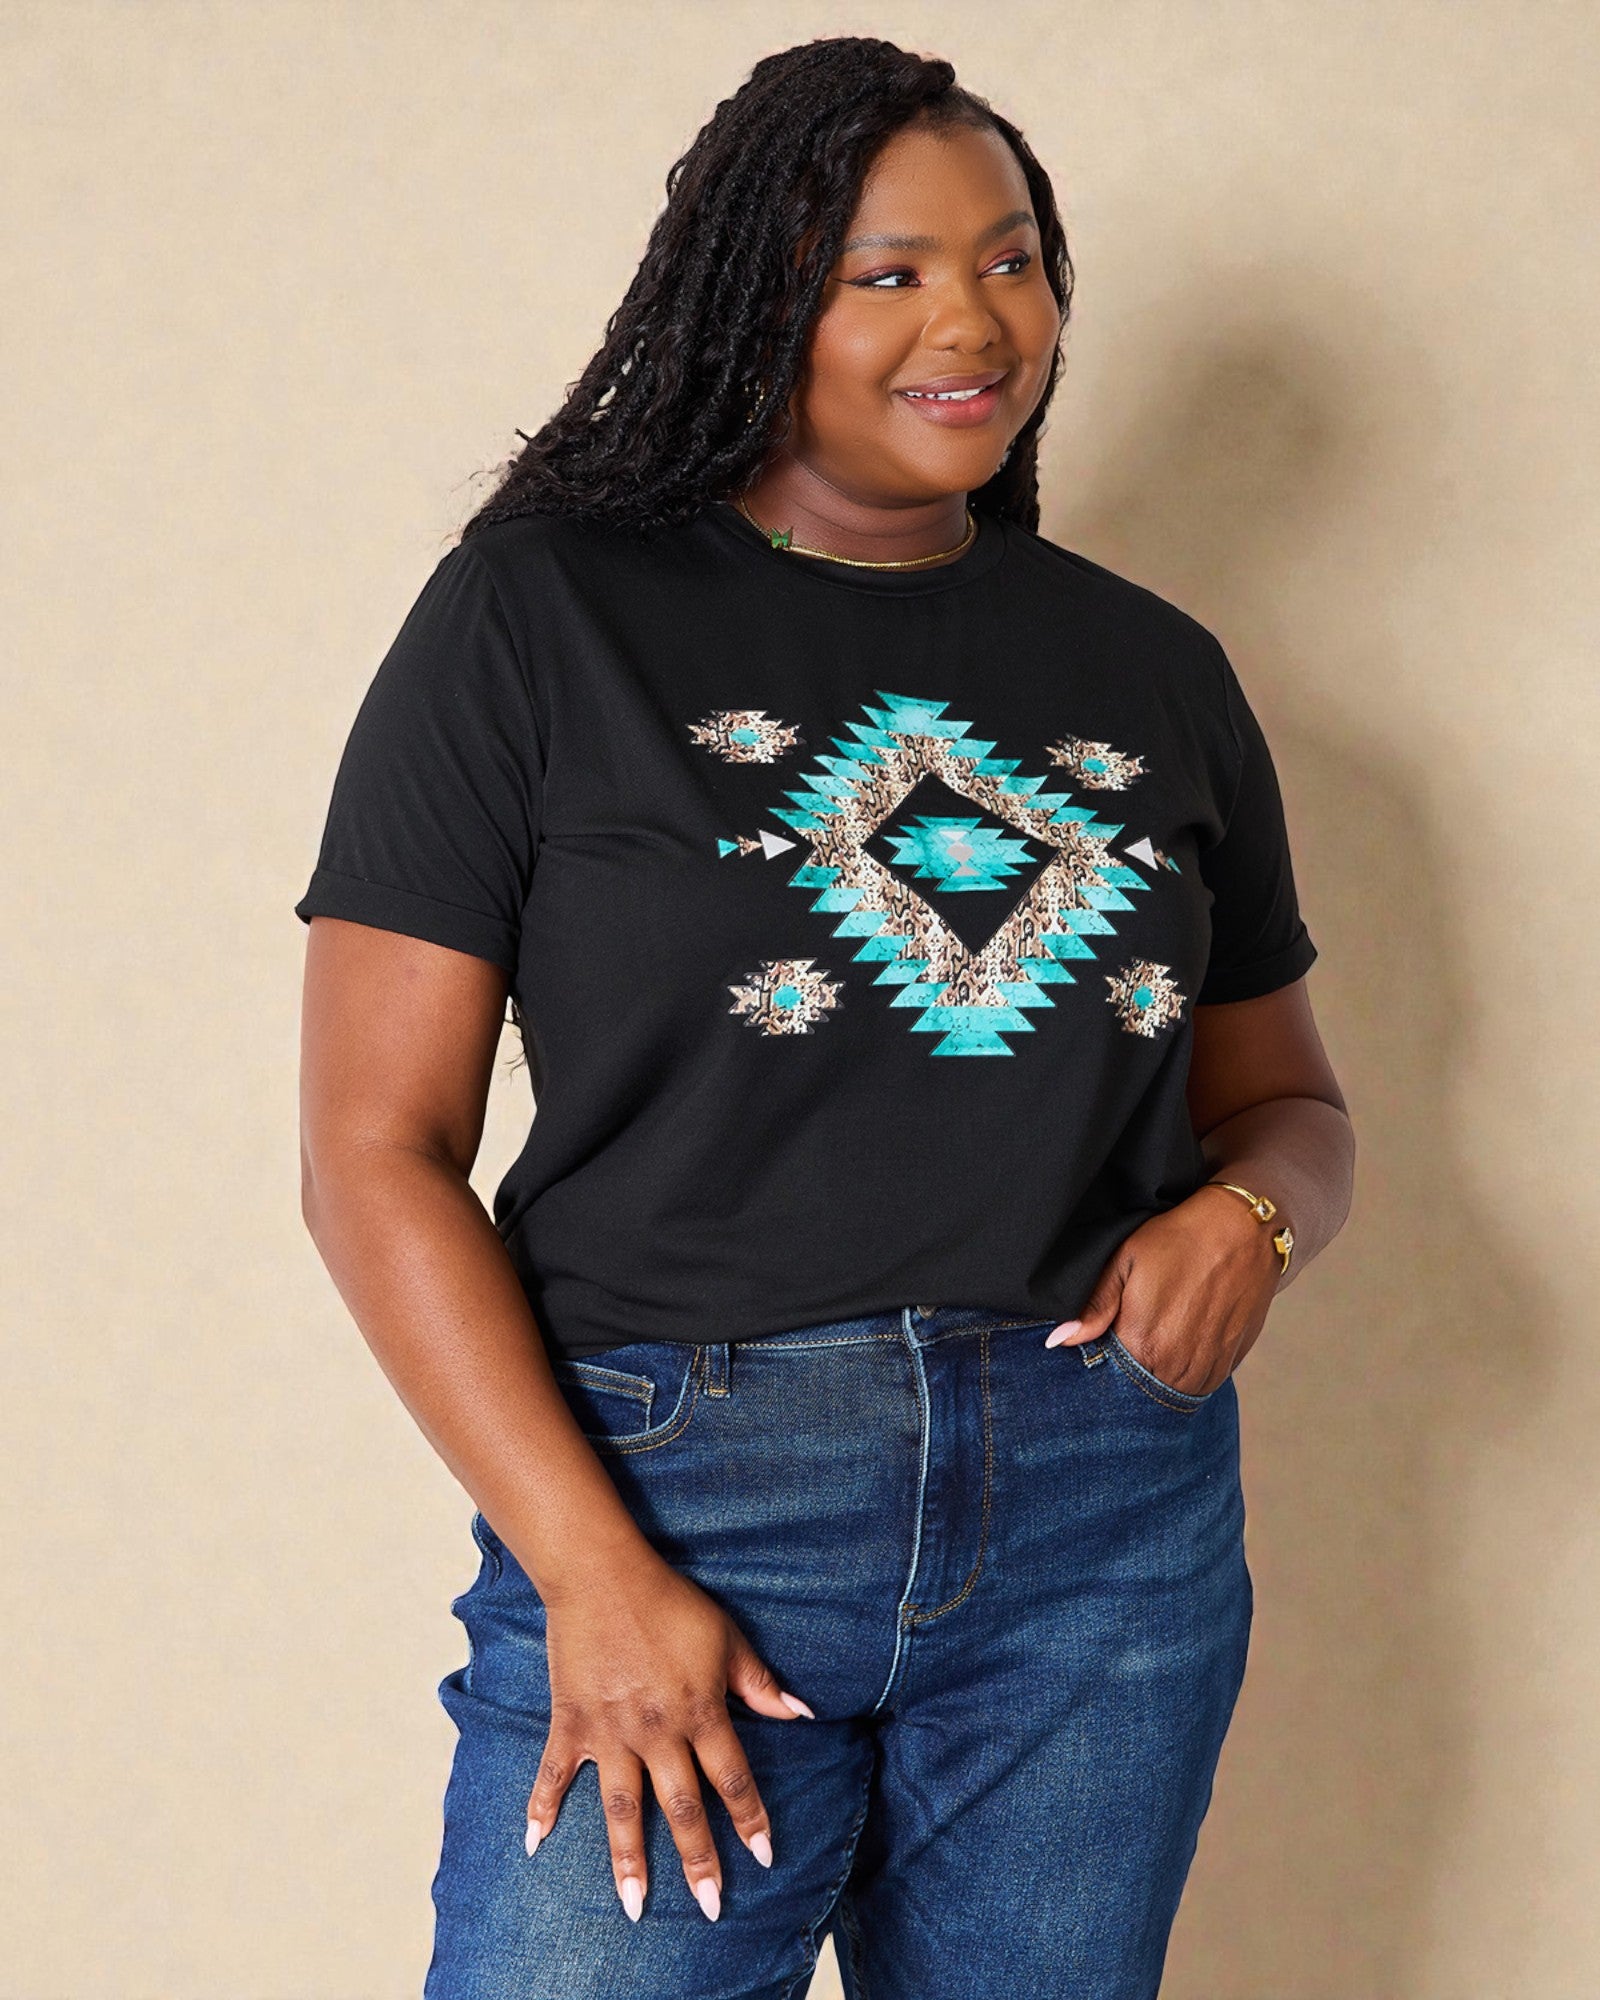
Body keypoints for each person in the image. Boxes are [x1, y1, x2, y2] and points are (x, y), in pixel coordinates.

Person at [294, 34, 1354, 2000]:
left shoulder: (1151, 667)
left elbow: (1290, 1101)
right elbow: (374, 1151)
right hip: (677, 1492)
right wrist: (594, 1573)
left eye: (1012, 258)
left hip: (1103, 1521)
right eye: (889, 272)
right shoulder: (539, 619)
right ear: (751, 300)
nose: (974, 321)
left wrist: (1254, 1219)